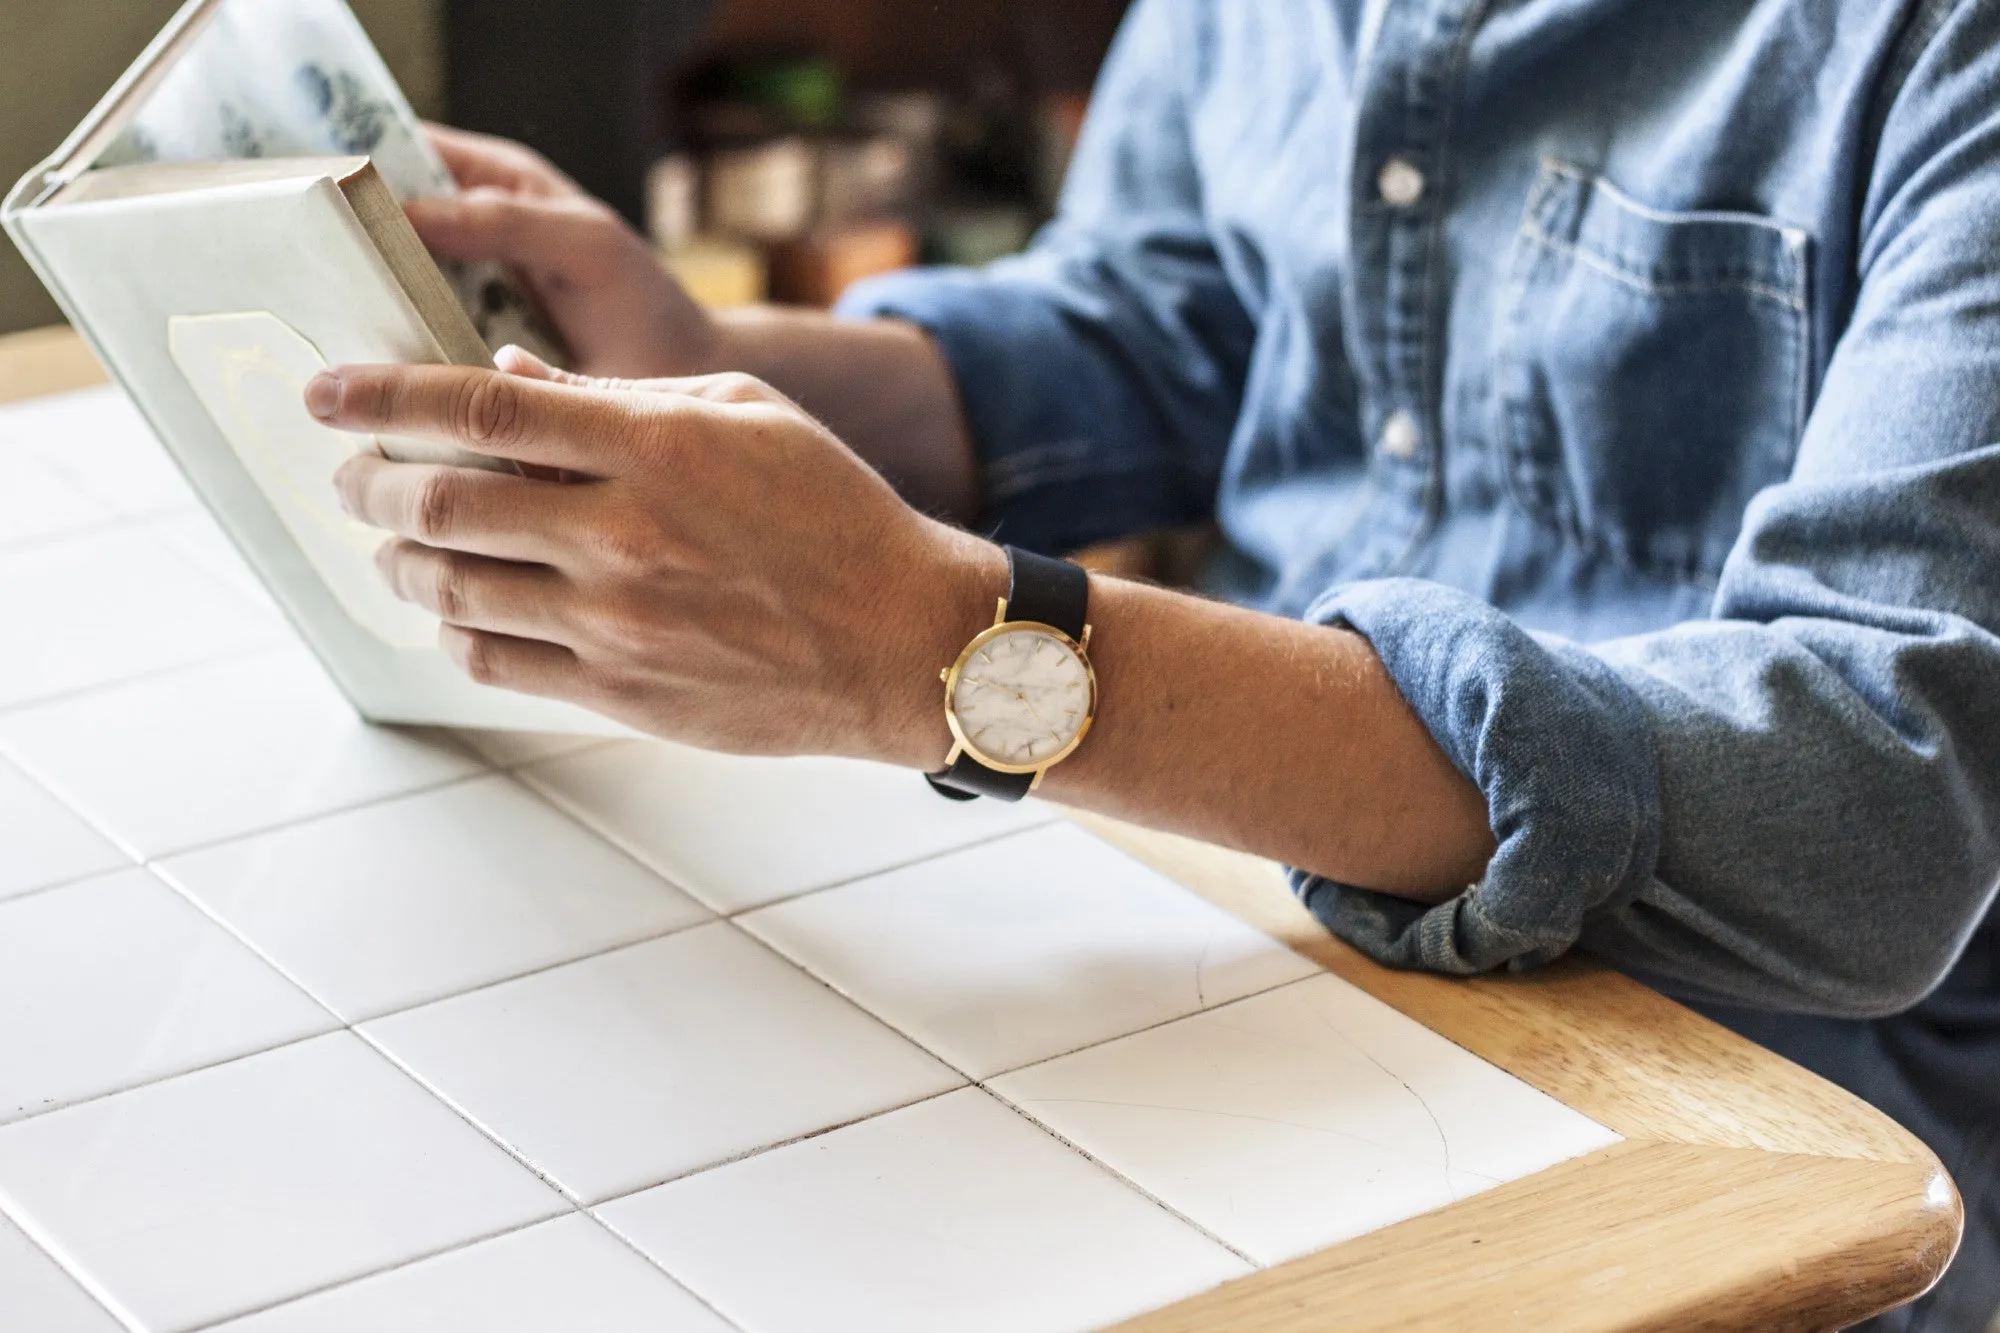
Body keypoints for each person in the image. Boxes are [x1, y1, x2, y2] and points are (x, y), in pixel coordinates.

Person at [306, 2, 1997, 1325]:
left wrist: (946, 654)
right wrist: (718, 362)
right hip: (1238, 923)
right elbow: (1187, 323)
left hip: (1757, 1125)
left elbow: (1865, 797)